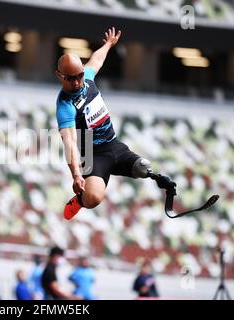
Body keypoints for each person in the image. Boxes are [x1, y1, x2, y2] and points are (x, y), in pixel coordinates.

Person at [56, 27, 176, 220]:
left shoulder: (86, 77)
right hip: (92, 155)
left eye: (79, 76)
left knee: (143, 167)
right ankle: (78, 201)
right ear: (59, 76)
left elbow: (96, 60)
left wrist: (108, 44)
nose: (77, 83)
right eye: (71, 79)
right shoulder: (65, 106)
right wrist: (77, 176)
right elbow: (69, 142)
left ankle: (156, 177)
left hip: (114, 145)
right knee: (93, 198)